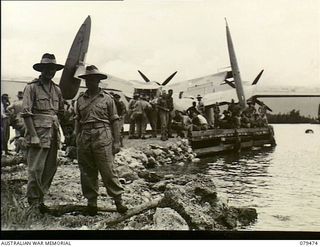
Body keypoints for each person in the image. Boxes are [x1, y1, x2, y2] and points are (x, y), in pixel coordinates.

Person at [75, 65, 127, 215]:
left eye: (93, 79)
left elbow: (115, 120)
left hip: (102, 134)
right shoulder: (80, 100)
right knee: (86, 171)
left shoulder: (108, 99)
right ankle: (91, 203)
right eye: (87, 79)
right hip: (84, 135)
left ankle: (118, 201)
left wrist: (116, 141)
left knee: (108, 170)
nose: (90, 82)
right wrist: (76, 138)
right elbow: (77, 120)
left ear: (98, 81)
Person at [21, 53, 64, 214]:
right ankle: (32, 203)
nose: (50, 72)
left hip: (53, 133)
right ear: (41, 69)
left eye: (53, 69)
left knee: (50, 168)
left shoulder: (57, 89)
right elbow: (26, 113)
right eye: (47, 68)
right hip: (38, 133)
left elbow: (60, 112)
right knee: (35, 169)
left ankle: (40, 200)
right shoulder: (31, 87)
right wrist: (32, 135)